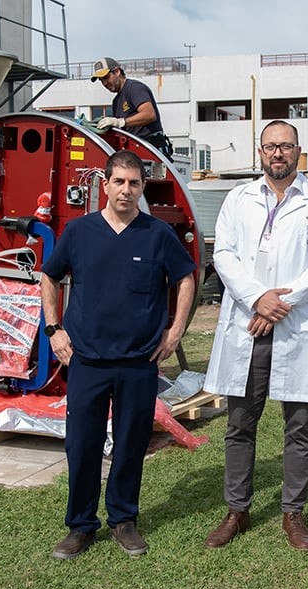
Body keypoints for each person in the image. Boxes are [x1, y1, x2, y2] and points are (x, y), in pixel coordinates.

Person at [40, 150, 196, 559]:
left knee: (131, 443)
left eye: (134, 183)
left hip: (138, 362)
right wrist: (55, 329)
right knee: (83, 445)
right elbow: (49, 276)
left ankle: (124, 520)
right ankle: (81, 526)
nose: (126, 190)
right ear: (105, 185)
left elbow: (185, 277)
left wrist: (175, 330)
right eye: (119, 182)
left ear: (143, 188)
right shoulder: (79, 232)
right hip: (87, 360)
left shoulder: (158, 234)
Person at [203, 120, 308, 551]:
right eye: (270, 146)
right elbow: (223, 254)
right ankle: (237, 511)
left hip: (296, 325)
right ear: (259, 152)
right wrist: (257, 298)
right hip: (249, 323)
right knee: (240, 423)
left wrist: (281, 303)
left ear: (298, 151)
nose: (277, 153)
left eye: (285, 146)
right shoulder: (238, 199)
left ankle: (293, 513)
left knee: (300, 425)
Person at [91, 56, 175, 158]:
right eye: (101, 80)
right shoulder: (116, 101)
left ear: (117, 72)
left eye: (106, 77)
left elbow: (149, 114)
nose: (104, 83)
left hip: (150, 150)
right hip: (135, 152)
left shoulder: (134, 88)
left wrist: (120, 122)